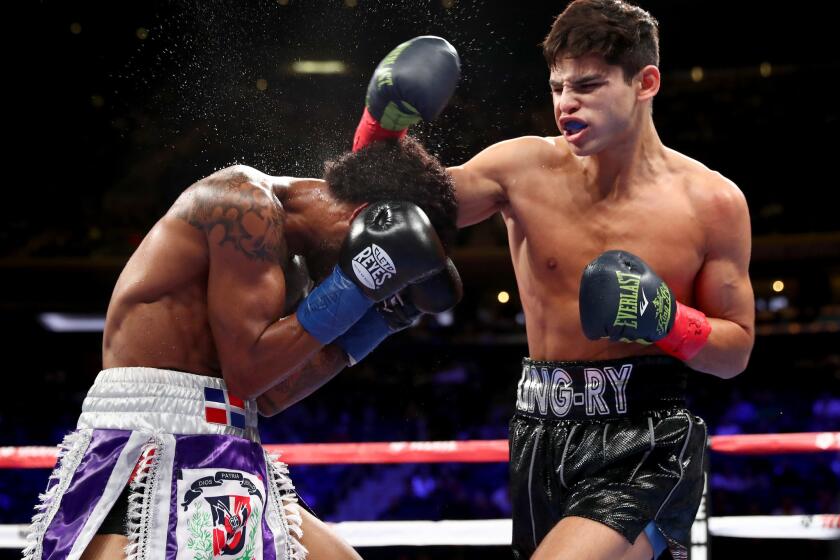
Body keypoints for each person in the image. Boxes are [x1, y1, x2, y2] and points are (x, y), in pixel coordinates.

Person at [354, 4, 755, 559]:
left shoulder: (711, 202)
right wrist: (381, 125)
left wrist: (667, 321)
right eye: (558, 86)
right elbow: (390, 217)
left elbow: (734, 350)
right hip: (539, 435)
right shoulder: (520, 170)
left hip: (648, 440)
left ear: (646, 82)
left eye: (588, 85)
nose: (567, 103)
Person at [23, 136, 461, 560]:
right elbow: (248, 373)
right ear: (369, 220)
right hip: (153, 433)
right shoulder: (242, 204)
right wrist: (359, 284)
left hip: (228, 434)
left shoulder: (295, 263)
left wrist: (380, 322)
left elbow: (271, 394)